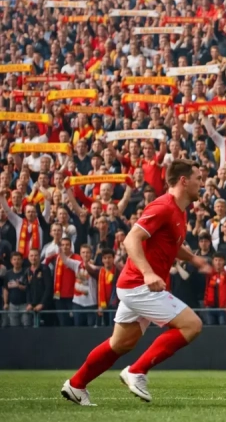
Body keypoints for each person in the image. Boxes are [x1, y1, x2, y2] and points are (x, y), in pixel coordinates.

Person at [61, 161, 210, 406]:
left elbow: (171, 244)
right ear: (183, 180)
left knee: (120, 343)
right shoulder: (162, 206)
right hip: (140, 284)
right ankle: (136, 371)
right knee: (192, 326)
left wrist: (193, 259)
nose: (201, 183)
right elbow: (131, 239)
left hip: (136, 285)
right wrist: (149, 273)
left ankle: (76, 385)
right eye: (197, 178)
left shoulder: (179, 211)